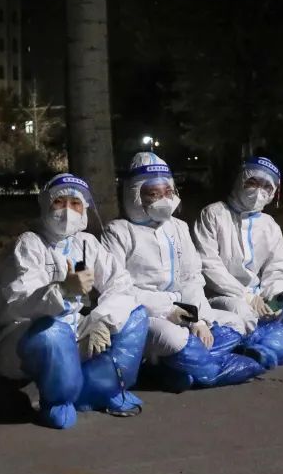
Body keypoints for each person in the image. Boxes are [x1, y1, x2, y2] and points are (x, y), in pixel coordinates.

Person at [0, 173, 148, 429]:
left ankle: (99, 389)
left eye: (75, 203)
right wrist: (62, 290)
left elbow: (121, 284)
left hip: (72, 329)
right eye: (59, 202)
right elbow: (19, 302)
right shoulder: (29, 244)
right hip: (24, 336)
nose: (68, 211)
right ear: (45, 205)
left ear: (85, 210)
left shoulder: (86, 244)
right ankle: (57, 401)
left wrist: (103, 321)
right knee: (52, 332)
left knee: (136, 316)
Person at [103, 154, 264, 389]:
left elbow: (191, 278)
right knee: (174, 338)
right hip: (145, 314)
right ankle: (202, 369)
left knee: (235, 324)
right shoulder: (118, 232)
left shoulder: (178, 227)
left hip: (185, 311)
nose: (164, 199)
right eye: (153, 194)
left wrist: (199, 319)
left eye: (168, 192)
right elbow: (119, 291)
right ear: (135, 195)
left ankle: (173, 369)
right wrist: (171, 310)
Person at [192, 156, 283, 364]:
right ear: (239, 181)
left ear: (273, 193)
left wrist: (274, 298)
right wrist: (247, 297)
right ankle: (262, 348)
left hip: (261, 298)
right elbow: (208, 265)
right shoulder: (213, 214)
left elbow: (277, 270)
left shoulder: (269, 225)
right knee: (241, 311)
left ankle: (264, 346)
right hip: (224, 296)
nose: (258, 191)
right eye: (252, 182)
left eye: (266, 187)